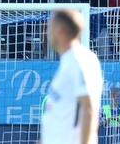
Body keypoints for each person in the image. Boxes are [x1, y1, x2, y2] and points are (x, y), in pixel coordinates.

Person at [39, 8, 103, 144]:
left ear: (60, 30)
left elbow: (89, 108)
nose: (47, 32)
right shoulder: (68, 60)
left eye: (50, 27)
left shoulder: (80, 59)